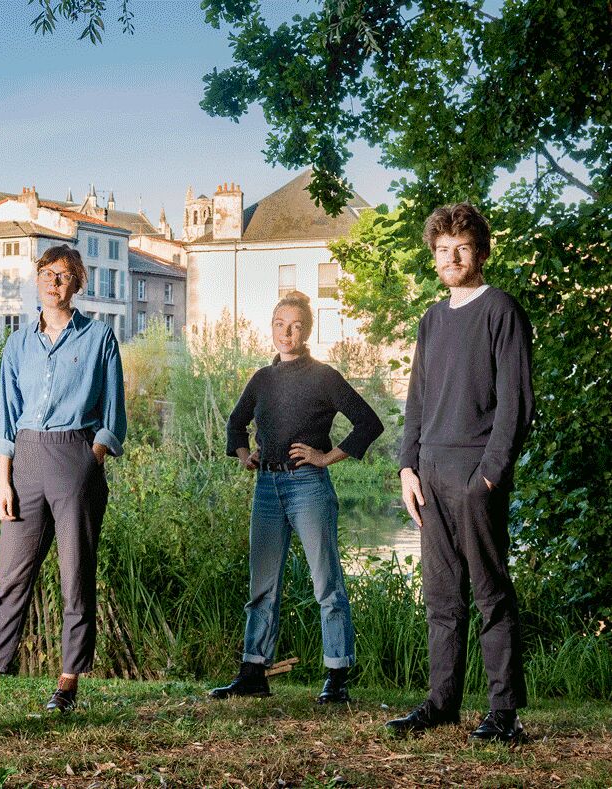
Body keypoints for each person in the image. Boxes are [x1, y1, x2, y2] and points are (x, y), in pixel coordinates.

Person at [0, 244, 125, 713]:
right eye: (46, 273)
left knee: (76, 577)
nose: (53, 282)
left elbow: (114, 416)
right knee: (11, 577)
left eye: (63, 275)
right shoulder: (17, 344)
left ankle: (68, 684)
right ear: (37, 280)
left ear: (77, 284)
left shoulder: (99, 338)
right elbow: (6, 417)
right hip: (26, 461)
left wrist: (91, 458)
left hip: (76, 456)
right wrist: (4, 482)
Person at [385, 203, 534, 743]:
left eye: (462, 248)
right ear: (433, 256)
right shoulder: (432, 319)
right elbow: (417, 401)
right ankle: (442, 703)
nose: (451, 257)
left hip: (475, 474)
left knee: (491, 594)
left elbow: (516, 404)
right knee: (442, 599)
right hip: (429, 474)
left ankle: (504, 713)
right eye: (443, 249)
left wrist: (489, 476)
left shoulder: (501, 311)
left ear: (481, 252)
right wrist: (407, 467)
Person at [212, 291, 383, 704]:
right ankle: (253, 673)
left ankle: (337, 676)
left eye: (295, 326)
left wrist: (325, 457)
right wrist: (245, 456)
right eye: (279, 324)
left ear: (306, 332)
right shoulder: (262, 379)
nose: (286, 333)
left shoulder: (325, 377)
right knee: (262, 587)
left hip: (308, 487)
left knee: (327, 585)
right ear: (271, 327)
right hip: (267, 489)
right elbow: (236, 424)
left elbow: (368, 423)